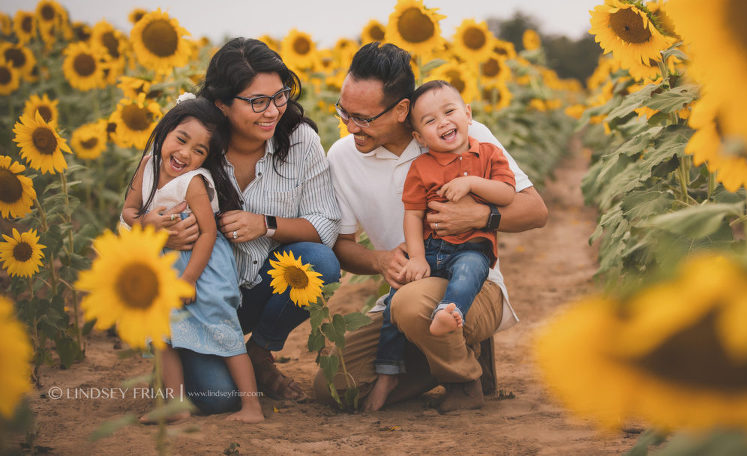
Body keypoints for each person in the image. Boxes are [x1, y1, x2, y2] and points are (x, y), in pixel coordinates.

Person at [314, 42, 548, 413]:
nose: (349, 126)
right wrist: (380, 260)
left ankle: (464, 379)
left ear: (401, 110)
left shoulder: (462, 133)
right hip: (404, 293)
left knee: (411, 303)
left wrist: (479, 217)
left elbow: (535, 211)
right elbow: (342, 247)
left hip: (474, 285)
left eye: (363, 118)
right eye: (344, 112)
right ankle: (449, 356)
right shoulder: (342, 157)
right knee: (336, 386)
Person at [140, 38, 341, 411]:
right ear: (221, 104)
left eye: (280, 96)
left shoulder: (300, 140)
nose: (273, 111)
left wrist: (264, 224)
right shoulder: (189, 133)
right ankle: (181, 358)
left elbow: (326, 225)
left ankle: (259, 351)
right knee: (220, 400)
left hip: (260, 287)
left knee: (320, 263)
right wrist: (150, 225)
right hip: (198, 295)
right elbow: (137, 206)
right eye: (257, 102)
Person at [372, 79, 518, 408]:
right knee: (395, 302)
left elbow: (508, 195)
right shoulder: (420, 168)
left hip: (471, 248)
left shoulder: (489, 154)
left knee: (468, 273)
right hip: (433, 250)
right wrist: (418, 258)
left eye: (449, 111)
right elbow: (412, 215)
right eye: (430, 121)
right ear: (419, 138)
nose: (443, 122)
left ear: (468, 114)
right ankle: (387, 370)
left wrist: (471, 183)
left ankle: (447, 315)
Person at [122, 97, 264, 422]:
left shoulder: (194, 182)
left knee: (223, 329)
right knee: (163, 334)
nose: (186, 153)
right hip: (161, 266)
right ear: (164, 131)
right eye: (181, 139)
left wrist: (188, 280)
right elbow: (129, 211)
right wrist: (147, 223)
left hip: (202, 270)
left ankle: (252, 407)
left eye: (199, 150)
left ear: (206, 159)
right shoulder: (147, 166)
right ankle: (176, 408)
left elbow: (208, 234)